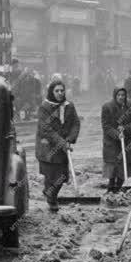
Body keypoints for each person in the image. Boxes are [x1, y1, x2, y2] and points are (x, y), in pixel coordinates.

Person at [35, 76, 80, 213]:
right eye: (57, 91)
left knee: (62, 177)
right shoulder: (44, 107)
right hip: (47, 148)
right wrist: (61, 142)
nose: (60, 93)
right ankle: (52, 199)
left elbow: (75, 124)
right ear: (51, 92)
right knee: (50, 176)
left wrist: (70, 139)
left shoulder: (69, 106)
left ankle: (50, 193)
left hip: (62, 148)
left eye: (62, 90)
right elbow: (46, 129)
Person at [101, 86, 131, 193]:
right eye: (118, 95)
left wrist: (126, 128)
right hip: (111, 143)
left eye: (123, 95)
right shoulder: (107, 107)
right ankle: (110, 190)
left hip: (127, 142)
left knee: (124, 168)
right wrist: (116, 134)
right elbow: (106, 126)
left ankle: (117, 189)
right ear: (115, 96)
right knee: (112, 168)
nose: (121, 97)